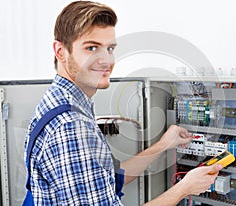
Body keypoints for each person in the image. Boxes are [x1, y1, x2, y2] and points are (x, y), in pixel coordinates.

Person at [24, 1, 222, 205]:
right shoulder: (71, 126)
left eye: (109, 48)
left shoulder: (60, 101)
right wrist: (184, 188)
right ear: (60, 51)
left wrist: (163, 145)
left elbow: (107, 180)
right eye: (91, 48)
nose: (106, 60)